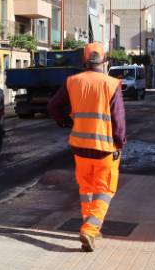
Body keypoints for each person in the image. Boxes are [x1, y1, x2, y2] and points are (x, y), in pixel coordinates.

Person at [48, 42, 126, 253]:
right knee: (105, 189)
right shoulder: (111, 84)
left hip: (79, 147)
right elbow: (118, 119)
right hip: (104, 149)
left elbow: (53, 106)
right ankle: (90, 230)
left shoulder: (72, 81)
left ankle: (88, 225)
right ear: (105, 61)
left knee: (86, 189)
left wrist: (67, 122)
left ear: (85, 61)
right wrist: (119, 143)